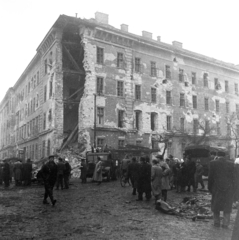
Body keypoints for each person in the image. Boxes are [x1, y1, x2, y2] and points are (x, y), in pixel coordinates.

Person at [208, 156, 235, 228]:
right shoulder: (231, 164)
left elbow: (210, 177)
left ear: (217, 155)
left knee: (216, 205)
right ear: (225, 156)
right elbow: (234, 178)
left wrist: (210, 188)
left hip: (216, 188)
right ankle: (225, 224)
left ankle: (216, 223)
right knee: (227, 206)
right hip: (228, 189)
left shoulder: (213, 163)